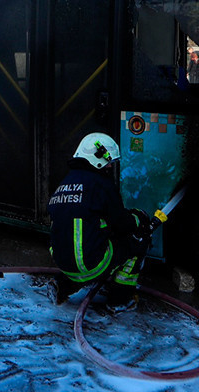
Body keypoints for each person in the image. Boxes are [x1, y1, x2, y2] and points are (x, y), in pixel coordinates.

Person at [46, 132, 152, 313]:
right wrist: (139, 218)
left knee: (88, 247)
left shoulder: (65, 183)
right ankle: (120, 299)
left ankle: (63, 285)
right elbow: (122, 224)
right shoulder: (101, 184)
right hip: (89, 264)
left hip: (61, 261)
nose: (110, 166)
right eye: (108, 162)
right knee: (138, 241)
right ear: (96, 159)